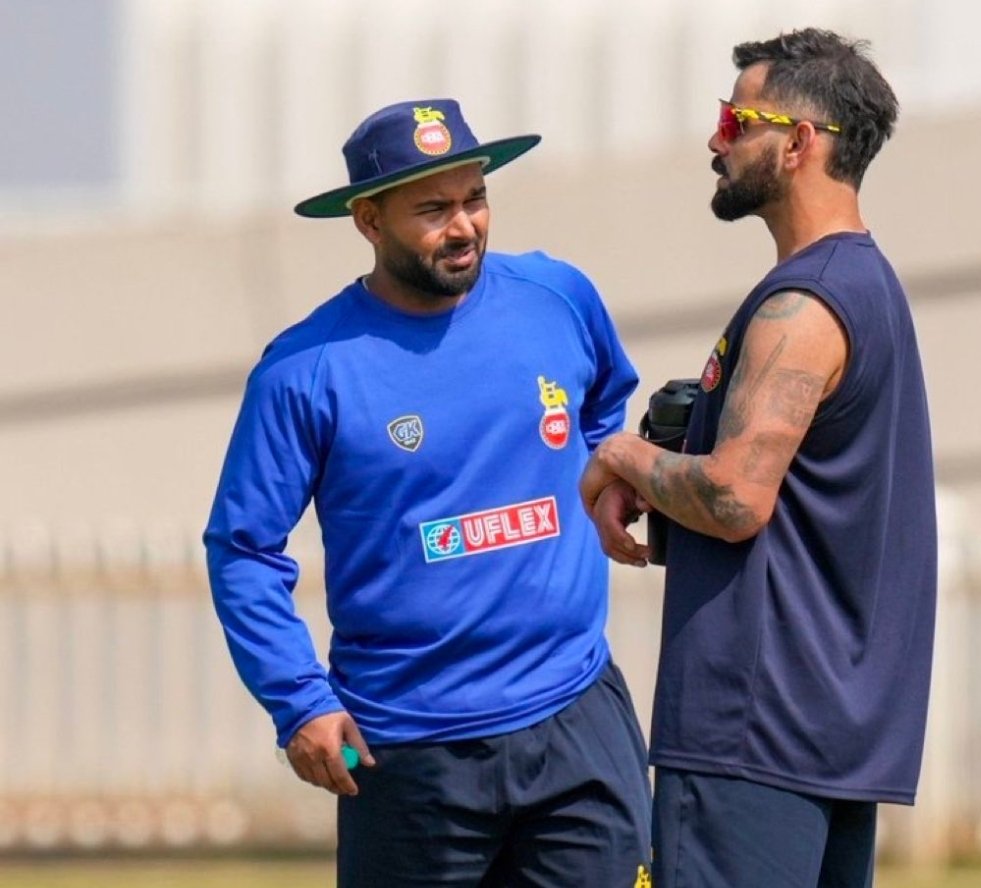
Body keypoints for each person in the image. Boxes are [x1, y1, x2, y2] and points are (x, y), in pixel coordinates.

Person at [203, 98, 652, 887]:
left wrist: (608, 476)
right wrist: (300, 703)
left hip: (576, 716)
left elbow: (601, 412)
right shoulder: (305, 369)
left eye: (475, 197)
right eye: (433, 209)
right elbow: (243, 549)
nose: (464, 226)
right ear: (368, 221)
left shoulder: (559, 297)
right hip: (409, 749)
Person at [579, 29, 936, 888]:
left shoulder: (803, 303)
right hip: (834, 738)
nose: (716, 140)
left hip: (751, 735)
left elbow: (738, 497)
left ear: (800, 143)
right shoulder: (868, 285)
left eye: (736, 119)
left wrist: (622, 457)